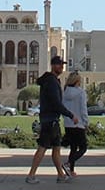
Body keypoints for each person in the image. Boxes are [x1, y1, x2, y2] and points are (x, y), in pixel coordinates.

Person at [25, 55, 77, 183]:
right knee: (43, 147)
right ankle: (31, 175)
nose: (62, 67)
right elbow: (56, 103)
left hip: (52, 119)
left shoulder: (52, 81)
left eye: (62, 65)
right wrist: (71, 115)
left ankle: (61, 174)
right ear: (53, 66)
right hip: (50, 120)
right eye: (59, 64)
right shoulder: (51, 82)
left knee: (56, 148)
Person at [61, 71, 90, 176]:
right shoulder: (81, 93)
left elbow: (63, 108)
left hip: (68, 124)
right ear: (77, 81)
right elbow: (83, 109)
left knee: (73, 147)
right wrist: (86, 122)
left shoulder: (64, 93)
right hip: (79, 123)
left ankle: (71, 170)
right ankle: (68, 164)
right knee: (83, 147)